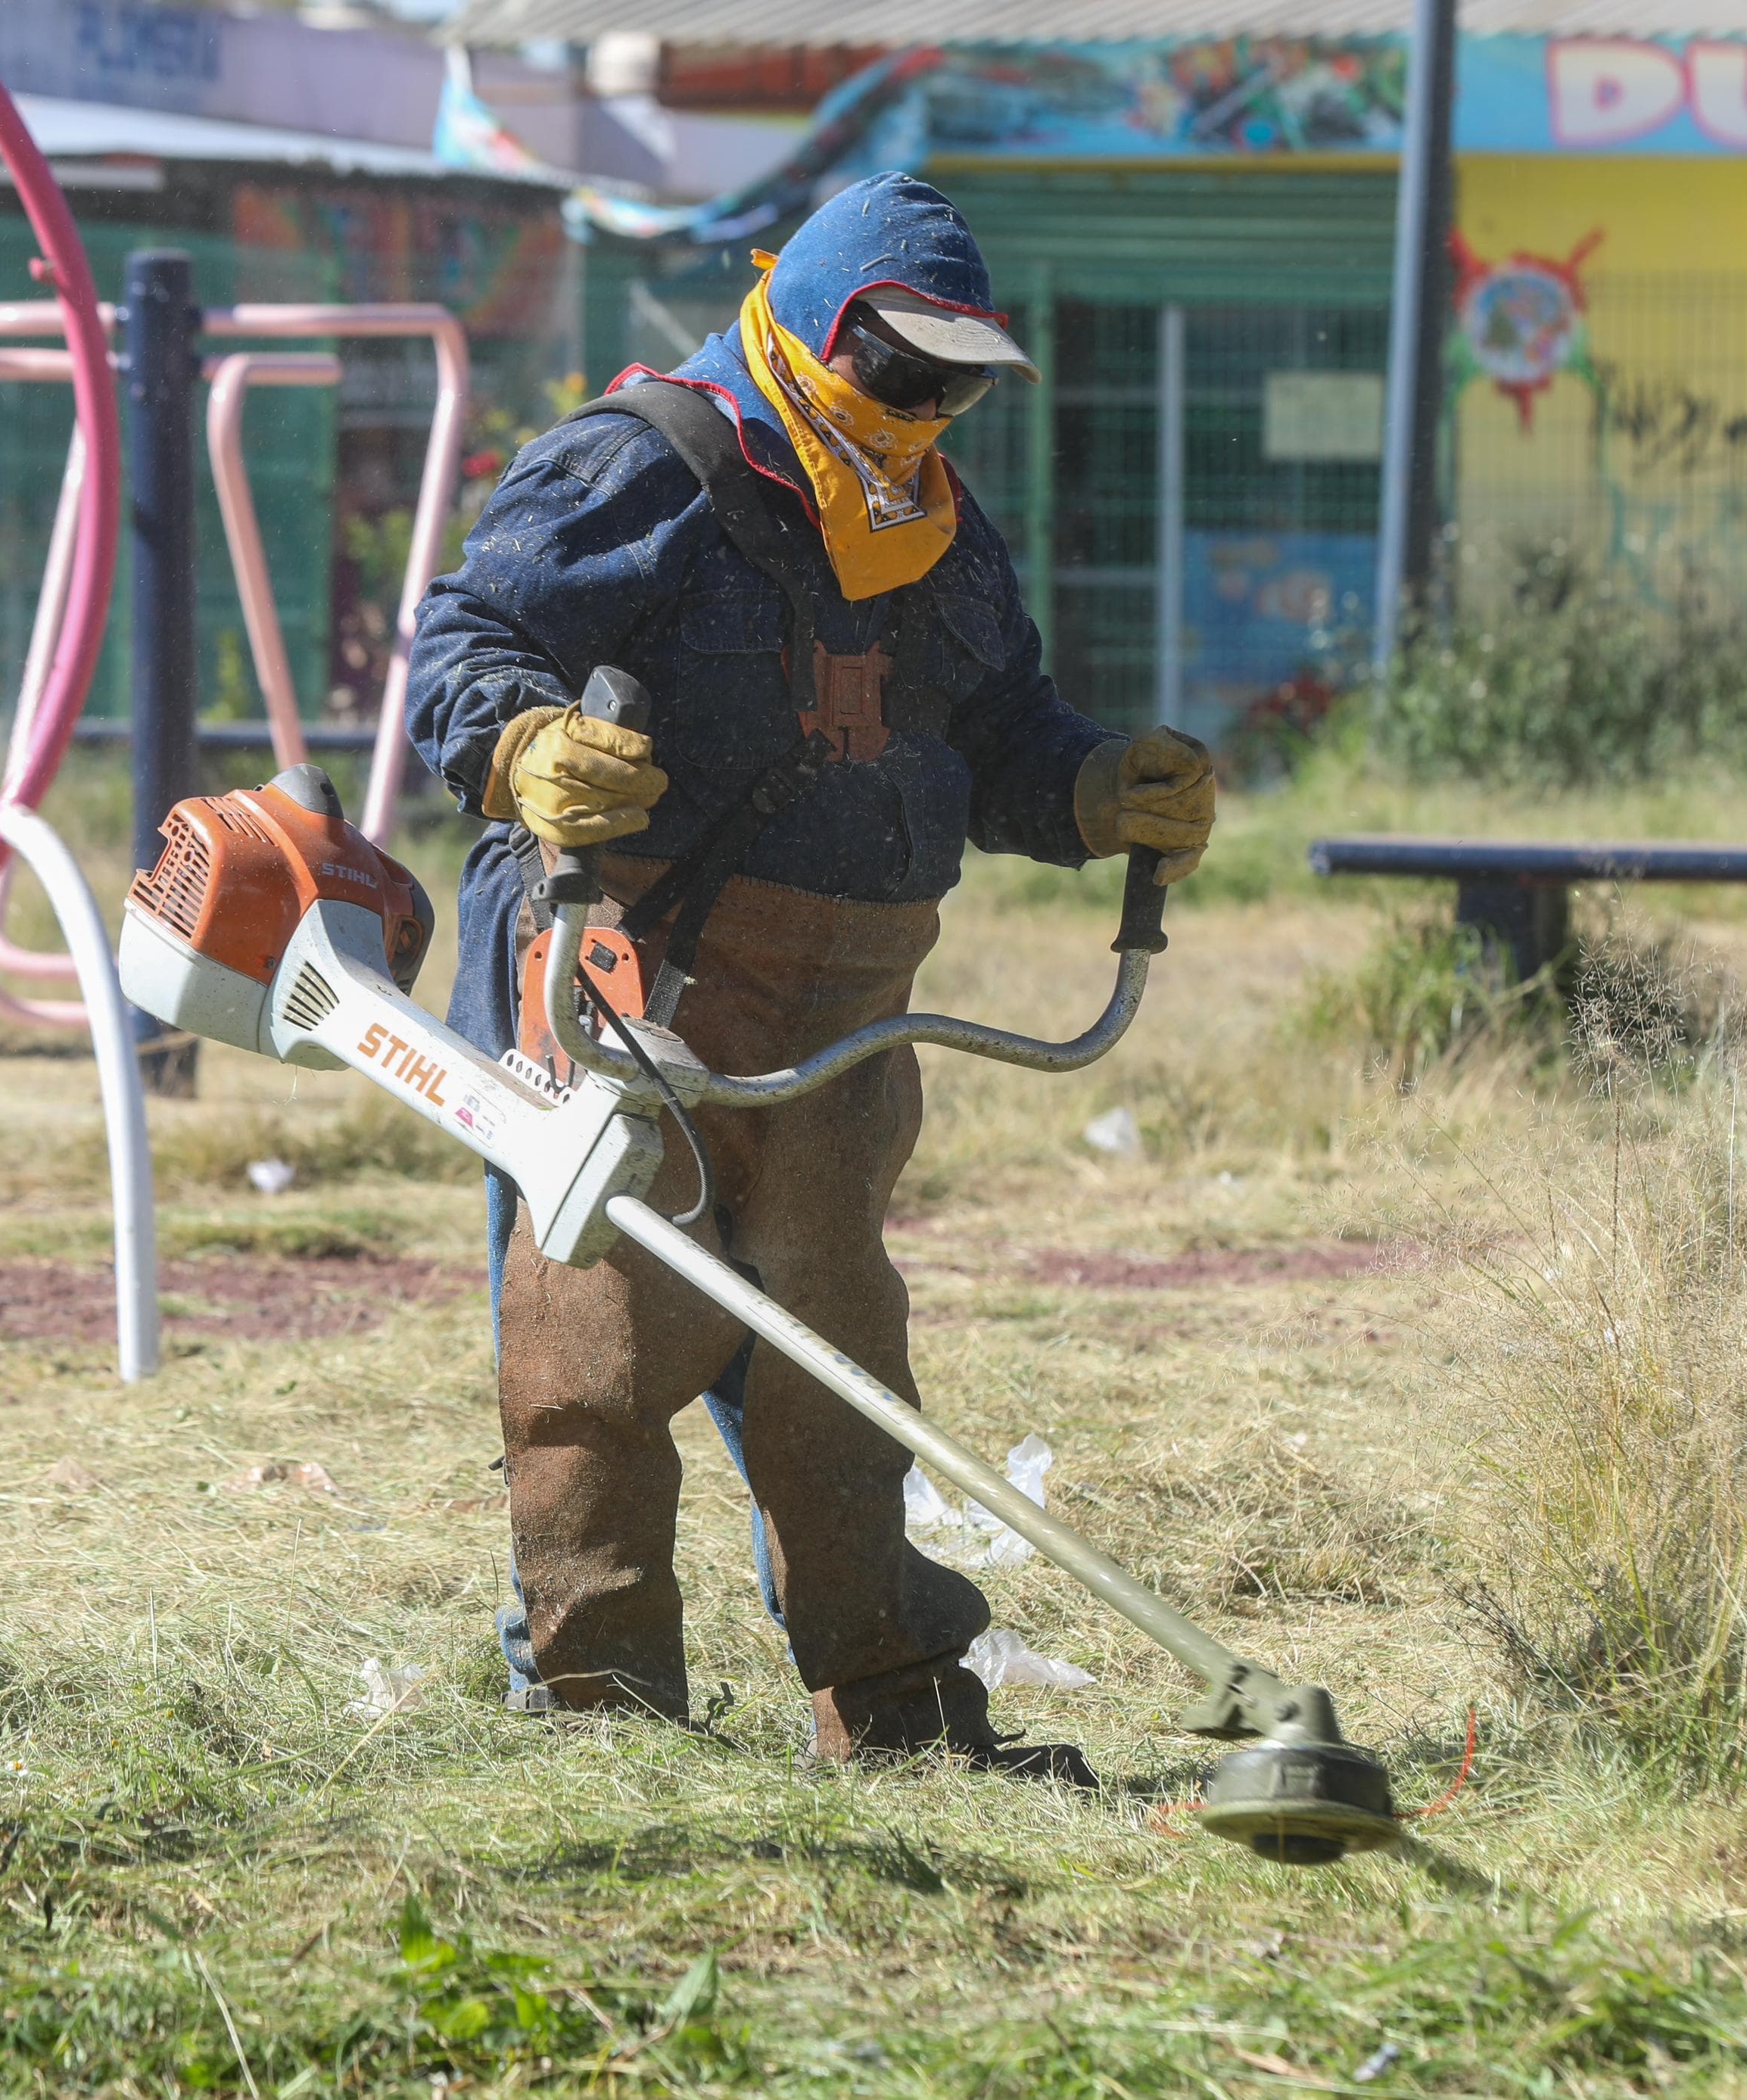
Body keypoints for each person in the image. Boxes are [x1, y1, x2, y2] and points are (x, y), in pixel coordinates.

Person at [406, 173, 1213, 1778]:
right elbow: (462, 640)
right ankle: (596, 1721)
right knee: (597, 1363)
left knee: (836, 1375)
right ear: (813, 330)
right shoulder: (642, 469)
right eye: (897, 372)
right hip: (617, 980)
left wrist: (1089, 782)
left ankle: (900, 1713)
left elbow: (992, 736)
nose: (921, 410)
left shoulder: (940, 534)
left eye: (952, 383)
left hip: (842, 1019)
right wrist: (519, 739)